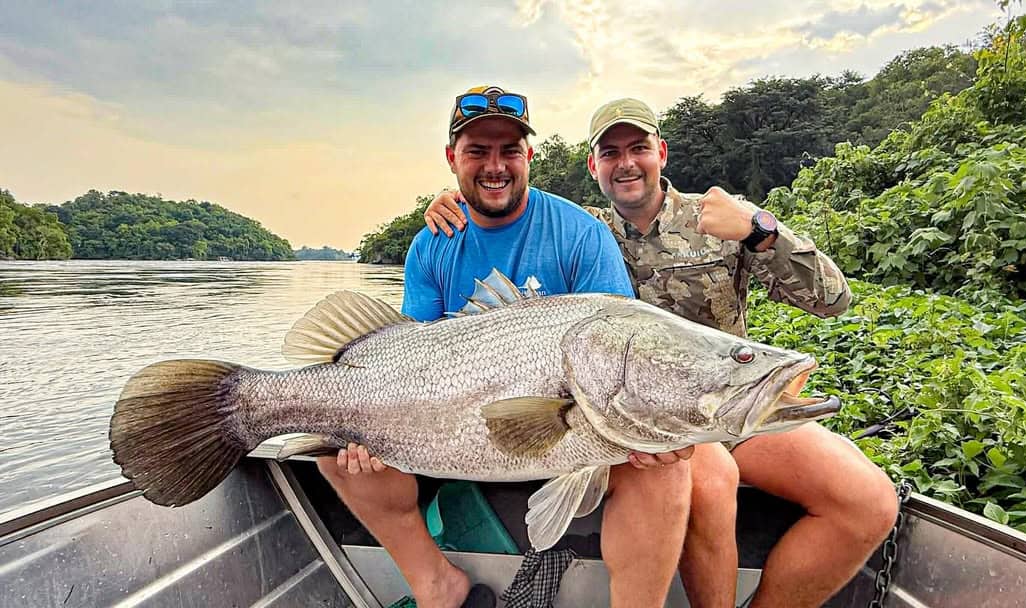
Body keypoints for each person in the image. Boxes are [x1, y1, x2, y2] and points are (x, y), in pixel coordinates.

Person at [424, 98, 900, 608]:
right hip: (643, 421)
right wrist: (453, 201)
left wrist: (761, 230)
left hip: (731, 401)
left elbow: (832, 301)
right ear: (593, 166)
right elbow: (506, 208)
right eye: (610, 153)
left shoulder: (717, 217)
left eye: (639, 148)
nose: (626, 163)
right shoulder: (584, 230)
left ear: (662, 153)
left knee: (869, 502)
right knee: (711, 482)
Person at [318, 86, 710, 608]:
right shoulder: (432, 241)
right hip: (452, 434)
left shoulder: (581, 233)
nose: (495, 166)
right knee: (332, 452)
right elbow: (411, 353)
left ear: (530, 156)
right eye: (477, 151)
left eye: (509, 151)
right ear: (452, 158)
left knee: (665, 467)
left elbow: (616, 348)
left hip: (574, 438)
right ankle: (436, 584)